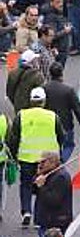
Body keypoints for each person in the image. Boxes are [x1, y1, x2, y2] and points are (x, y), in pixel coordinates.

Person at [7, 86, 65, 229]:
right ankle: (39, 217)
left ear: (31, 101)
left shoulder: (22, 115)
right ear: (44, 101)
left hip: (27, 157)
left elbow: (14, 138)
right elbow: (61, 137)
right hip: (47, 161)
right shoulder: (52, 116)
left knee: (26, 185)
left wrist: (13, 156)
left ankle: (26, 211)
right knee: (42, 187)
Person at [42, 63, 80, 162]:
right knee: (68, 145)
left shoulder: (44, 88)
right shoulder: (68, 90)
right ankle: (61, 161)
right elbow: (77, 109)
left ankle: (54, 162)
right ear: (61, 74)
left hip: (48, 124)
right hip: (65, 125)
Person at [32, 150, 72, 237]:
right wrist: (38, 175)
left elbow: (53, 200)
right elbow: (34, 190)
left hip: (56, 221)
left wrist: (41, 187)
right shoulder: (47, 174)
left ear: (53, 162)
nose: (40, 165)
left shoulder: (60, 177)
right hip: (47, 219)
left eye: (43, 162)